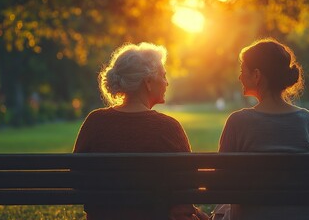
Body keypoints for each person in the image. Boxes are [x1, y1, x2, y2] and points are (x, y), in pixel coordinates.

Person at [73, 42, 208, 220]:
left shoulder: (95, 122)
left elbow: (76, 178)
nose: (166, 82)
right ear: (148, 82)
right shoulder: (169, 128)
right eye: (163, 75)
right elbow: (188, 189)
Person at [214, 38, 309, 220]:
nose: (239, 77)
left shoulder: (237, 121)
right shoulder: (308, 120)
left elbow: (219, 183)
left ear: (257, 75)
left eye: (243, 71)